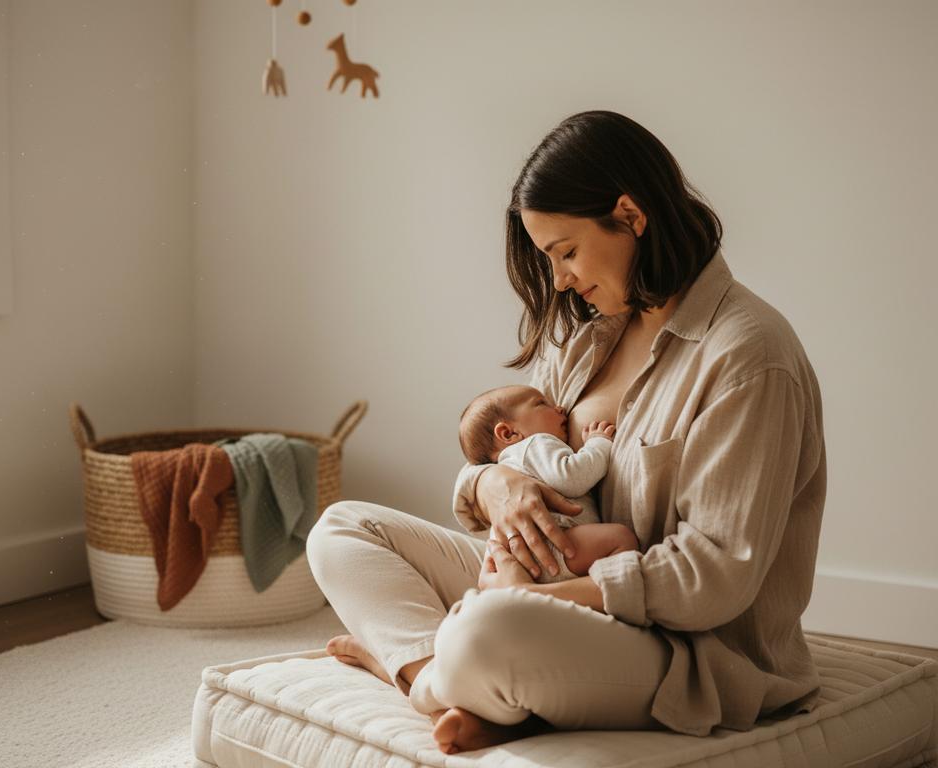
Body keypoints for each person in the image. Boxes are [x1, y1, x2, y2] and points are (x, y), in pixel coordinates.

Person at [305, 110, 826, 755]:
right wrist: (492, 484)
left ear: (631, 216)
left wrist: (538, 600)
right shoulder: (593, 336)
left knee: (489, 629)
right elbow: (524, 458)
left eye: (568, 252)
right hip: (547, 583)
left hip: (686, 649)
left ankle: (414, 669)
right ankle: (449, 677)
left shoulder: (748, 356)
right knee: (341, 530)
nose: (560, 281)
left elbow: (715, 578)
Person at [459, 383, 637, 584]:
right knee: (619, 539)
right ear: (509, 433)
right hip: (553, 544)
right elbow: (572, 477)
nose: (560, 407)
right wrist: (599, 443)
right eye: (542, 403)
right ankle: (615, 593)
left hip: (525, 557)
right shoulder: (534, 444)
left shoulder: (510, 462)